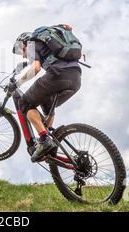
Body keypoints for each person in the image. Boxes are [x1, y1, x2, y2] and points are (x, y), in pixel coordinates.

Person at [12, 30, 82, 162]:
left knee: (24, 103)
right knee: (46, 104)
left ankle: (44, 140)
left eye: (21, 50)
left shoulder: (32, 43)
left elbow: (36, 68)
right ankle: (49, 136)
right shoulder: (49, 48)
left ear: (24, 43)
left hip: (58, 75)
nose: (23, 55)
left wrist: (18, 83)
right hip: (76, 79)